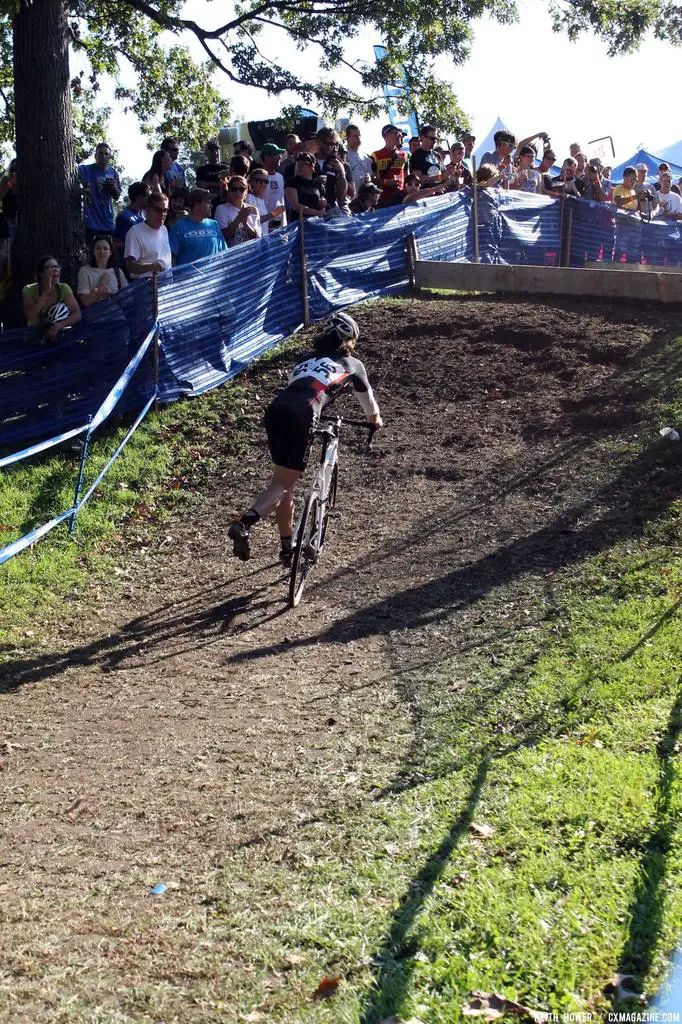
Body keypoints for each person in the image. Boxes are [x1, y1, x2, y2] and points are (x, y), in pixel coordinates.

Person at [227, 311, 382, 564]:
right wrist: (374, 420)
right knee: (284, 484)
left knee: (282, 483)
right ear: (348, 341)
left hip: (277, 409)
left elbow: (301, 388)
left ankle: (287, 547)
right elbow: (368, 401)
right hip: (304, 411)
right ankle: (245, 523)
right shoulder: (352, 365)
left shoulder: (304, 362)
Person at [22, 255, 81, 338]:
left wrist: (58, 326)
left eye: (57, 267)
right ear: (41, 274)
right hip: (34, 336)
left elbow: (77, 314)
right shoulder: (28, 290)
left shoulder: (64, 288)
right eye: (51, 267)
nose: (56, 269)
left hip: (59, 334)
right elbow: (30, 316)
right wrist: (45, 293)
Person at [168, 188, 226, 265]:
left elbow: (223, 252)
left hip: (213, 276)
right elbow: (172, 257)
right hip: (188, 276)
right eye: (208, 202)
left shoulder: (214, 225)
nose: (211, 206)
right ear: (197, 204)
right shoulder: (178, 227)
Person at [78, 142, 121, 242]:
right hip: (91, 221)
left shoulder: (113, 172)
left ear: (110, 157)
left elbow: (117, 196)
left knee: (108, 252)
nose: (103, 156)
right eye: (100, 153)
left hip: (107, 221)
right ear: (95, 156)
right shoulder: (85, 170)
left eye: (106, 154)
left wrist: (113, 188)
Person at [124, 193, 172, 279]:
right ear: (147, 209)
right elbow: (129, 265)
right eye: (158, 210)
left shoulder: (164, 229)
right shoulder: (135, 232)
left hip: (166, 285)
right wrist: (150, 267)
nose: (162, 214)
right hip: (145, 287)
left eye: (165, 210)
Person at [77, 235, 128, 306]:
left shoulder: (118, 271)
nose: (102, 251)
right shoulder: (85, 271)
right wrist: (100, 287)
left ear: (111, 252)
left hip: (117, 314)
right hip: (96, 315)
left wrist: (111, 294)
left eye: (105, 248)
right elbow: (85, 302)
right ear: (93, 251)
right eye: (98, 248)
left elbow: (127, 297)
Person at [215, 175, 261, 245]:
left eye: (241, 189)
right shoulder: (221, 209)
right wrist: (238, 219)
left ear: (246, 192)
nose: (237, 192)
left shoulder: (253, 210)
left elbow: (258, 237)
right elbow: (223, 237)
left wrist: (245, 224)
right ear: (229, 191)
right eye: (234, 189)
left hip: (251, 252)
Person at [315, 127, 350, 215]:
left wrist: (342, 173)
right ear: (319, 142)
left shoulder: (337, 164)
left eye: (335, 144)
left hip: (331, 209)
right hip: (311, 210)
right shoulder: (309, 161)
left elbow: (342, 196)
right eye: (329, 143)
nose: (332, 147)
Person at [113, 181, 151, 263]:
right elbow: (116, 244)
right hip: (128, 266)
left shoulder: (143, 215)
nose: (150, 199)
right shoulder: (124, 216)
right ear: (140, 197)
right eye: (148, 195)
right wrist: (137, 245)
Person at [371, 125, 408, 203]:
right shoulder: (376, 155)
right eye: (397, 133)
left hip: (401, 197)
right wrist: (386, 182)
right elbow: (372, 180)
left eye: (401, 134)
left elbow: (407, 176)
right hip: (383, 198)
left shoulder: (404, 155)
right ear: (386, 135)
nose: (400, 136)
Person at [285, 153, 325, 218]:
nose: (299, 167)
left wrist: (323, 204)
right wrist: (317, 213)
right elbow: (296, 207)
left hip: (316, 222)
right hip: (298, 223)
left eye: (302, 164)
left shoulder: (318, 183)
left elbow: (321, 205)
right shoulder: (292, 183)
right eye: (298, 164)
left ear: (311, 166)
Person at [259, 143, 287, 230]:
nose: (280, 157)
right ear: (268, 157)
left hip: (281, 229)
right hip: (264, 228)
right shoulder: (257, 178)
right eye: (277, 154)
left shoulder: (280, 177)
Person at [195, 140, 230, 206]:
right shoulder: (201, 170)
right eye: (212, 150)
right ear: (207, 152)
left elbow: (227, 184)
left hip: (223, 202)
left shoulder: (224, 168)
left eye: (216, 150)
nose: (215, 153)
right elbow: (201, 185)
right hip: (207, 203)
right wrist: (218, 184)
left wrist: (208, 184)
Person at [345, 124, 373, 190]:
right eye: (355, 136)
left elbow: (370, 175)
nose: (359, 138)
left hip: (363, 196)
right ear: (348, 137)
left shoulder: (365, 157)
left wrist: (369, 178)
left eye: (359, 135)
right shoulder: (343, 155)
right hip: (349, 196)